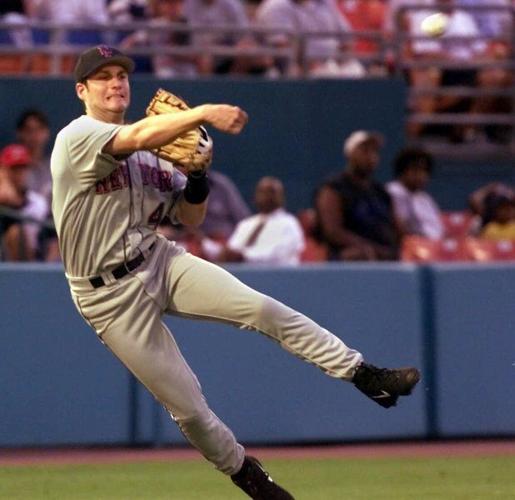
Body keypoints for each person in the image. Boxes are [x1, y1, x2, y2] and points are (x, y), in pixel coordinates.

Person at [50, 45, 420, 499]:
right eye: (103, 77)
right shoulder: (77, 135)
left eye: (121, 75)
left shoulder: (153, 153)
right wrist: (203, 111)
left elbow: (190, 218)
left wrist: (200, 176)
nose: (115, 83)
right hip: (105, 295)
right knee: (188, 409)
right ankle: (247, 475)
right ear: (82, 91)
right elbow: (134, 138)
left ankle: (365, 374)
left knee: (261, 308)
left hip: (159, 259)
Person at [315, 130, 401, 261]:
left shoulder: (381, 192)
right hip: (349, 258)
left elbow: (395, 228)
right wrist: (369, 248)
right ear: (350, 154)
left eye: (375, 152)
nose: (371, 156)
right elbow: (333, 232)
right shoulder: (333, 188)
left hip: (385, 255)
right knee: (359, 255)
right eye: (365, 150)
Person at [202, 176, 305, 265]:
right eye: (262, 191)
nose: (267, 196)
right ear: (255, 196)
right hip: (245, 278)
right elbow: (232, 251)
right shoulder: (246, 224)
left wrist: (245, 256)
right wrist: (204, 243)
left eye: (271, 191)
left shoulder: (290, 223)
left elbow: (280, 256)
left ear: (281, 196)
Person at [0, 143, 48, 260]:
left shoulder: (38, 203)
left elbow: (46, 240)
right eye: (14, 168)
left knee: (16, 233)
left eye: (22, 168)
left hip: (32, 262)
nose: (19, 173)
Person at [386, 147, 444, 240]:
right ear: (402, 171)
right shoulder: (392, 192)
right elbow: (401, 231)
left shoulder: (425, 199)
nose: (421, 175)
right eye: (416, 169)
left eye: (424, 171)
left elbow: (438, 230)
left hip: (433, 248)